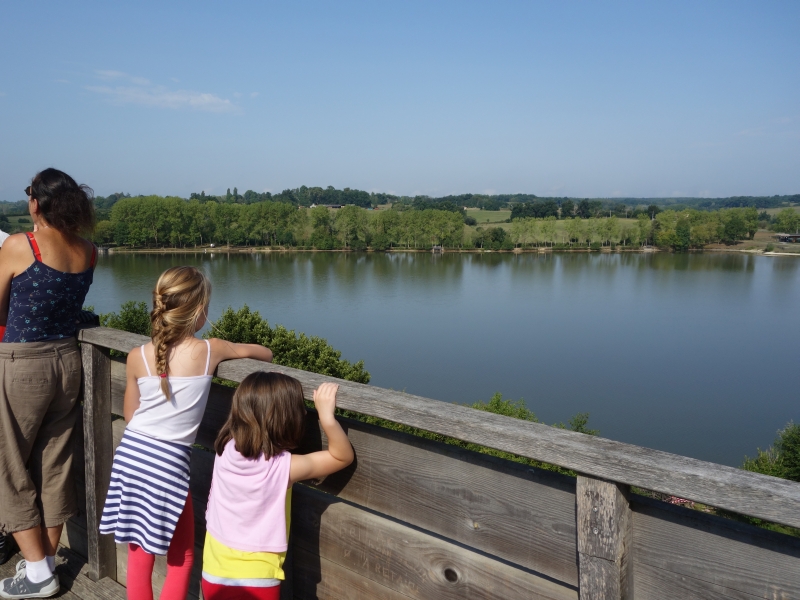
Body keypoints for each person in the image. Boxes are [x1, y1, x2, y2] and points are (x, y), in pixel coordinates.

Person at [98, 266, 273, 600]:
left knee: (139, 552)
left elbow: (132, 413)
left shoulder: (138, 357)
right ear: (200, 312)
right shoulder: (210, 350)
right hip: (167, 463)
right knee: (182, 557)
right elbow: (264, 353)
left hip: (131, 456)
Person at [0, 169, 97, 599]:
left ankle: (38, 572)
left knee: (7, 467)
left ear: (37, 202)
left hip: (23, 362)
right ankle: (48, 562)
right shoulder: (88, 251)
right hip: (68, 362)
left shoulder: (21, 245)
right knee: (54, 464)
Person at [201, 373, 354, 600]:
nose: (303, 413)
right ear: (286, 418)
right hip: (257, 580)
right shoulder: (283, 467)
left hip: (213, 571)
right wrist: (326, 418)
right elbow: (342, 456)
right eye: (299, 408)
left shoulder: (226, 447)